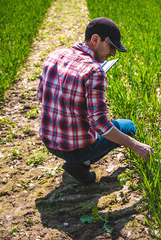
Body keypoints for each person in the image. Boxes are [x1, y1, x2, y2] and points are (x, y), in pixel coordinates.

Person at [37, 17, 153, 185]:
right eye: (111, 46)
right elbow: (99, 123)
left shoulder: (53, 56)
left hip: (49, 142)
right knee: (128, 126)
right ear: (95, 39)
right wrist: (135, 145)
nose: (113, 53)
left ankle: (78, 163)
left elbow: (41, 96)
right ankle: (80, 164)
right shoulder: (94, 71)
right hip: (76, 150)